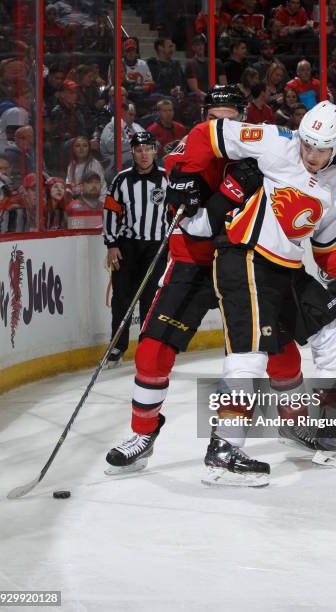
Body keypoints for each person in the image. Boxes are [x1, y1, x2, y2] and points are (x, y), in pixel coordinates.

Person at [154, 100, 336, 484]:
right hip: (244, 256)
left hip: (288, 268)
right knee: (249, 353)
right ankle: (224, 449)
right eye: (308, 145)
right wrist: (186, 175)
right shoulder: (277, 141)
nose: (311, 155)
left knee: (333, 333)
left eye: (321, 149)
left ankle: (332, 434)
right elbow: (207, 134)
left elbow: (328, 247)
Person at [104, 85, 251, 472]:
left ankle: (292, 422)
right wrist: (233, 192)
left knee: (266, 355)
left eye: (230, 118)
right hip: (192, 263)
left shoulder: (262, 152)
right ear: (205, 119)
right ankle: (143, 432)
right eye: (215, 118)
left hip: (248, 264)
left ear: (243, 118)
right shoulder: (182, 157)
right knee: (152, 350)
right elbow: (197, 226)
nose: (222, 126)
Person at [102, 131, 168, 368]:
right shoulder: (120, 180)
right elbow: (110, 211)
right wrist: (111, 244)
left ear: (154, 150)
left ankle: (148, 348)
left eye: (148, 149)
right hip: (127, 246)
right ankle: (118, 346)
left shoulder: (167, 178)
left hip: (156, 248)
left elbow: (175, 213)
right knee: (122, 298)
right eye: (139, 150)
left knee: (151, 301)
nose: (143, 154)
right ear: (133, 152)